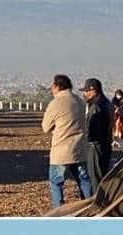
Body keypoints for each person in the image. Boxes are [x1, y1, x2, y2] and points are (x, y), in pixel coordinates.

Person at [42, 74, 92, 208]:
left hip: (61, 150)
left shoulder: (55, 103)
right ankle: (89, 207)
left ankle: (59, 211)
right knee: (84, 180)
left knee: (56, 182)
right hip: (79, 148)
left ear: (57, 86)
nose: (51, 89)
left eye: (52, 86)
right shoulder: (80, 101)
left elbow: (46, 127)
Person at [82, 78, 113, 192]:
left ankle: (98, 200)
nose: (85, 94)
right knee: (102, 177)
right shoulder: (107, 103)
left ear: (93, 91)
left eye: (86, 91)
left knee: (96, 179)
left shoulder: (96, 107)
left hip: (95, 146)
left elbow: (91, 130)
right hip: (105, 145)